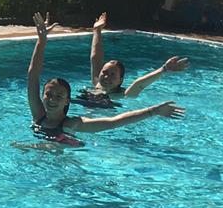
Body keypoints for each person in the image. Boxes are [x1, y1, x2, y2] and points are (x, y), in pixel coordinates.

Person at [27, 14, 183, 145]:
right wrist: (42, 40)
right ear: (42, 96)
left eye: (59, 96)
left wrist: (153, 111)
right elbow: (33, 75)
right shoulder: (38, 114)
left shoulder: (72, 123)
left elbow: (114, 122)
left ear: (67, 101)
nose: (52, 99)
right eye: (49, 94)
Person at [74, 12, 190, 108]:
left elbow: (139, 84)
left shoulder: (123, 95)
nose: (106, 77)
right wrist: (97, 31)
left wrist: (164, 69)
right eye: (104, 72)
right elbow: (96, 57)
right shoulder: (97, 82)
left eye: (113, 75)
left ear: (120, 80)